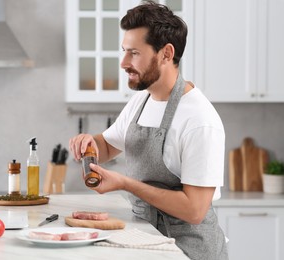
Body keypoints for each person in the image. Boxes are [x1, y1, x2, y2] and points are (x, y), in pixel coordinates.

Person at [69, 1, 228, 259]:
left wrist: (125, 183)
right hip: (147, 241)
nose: (123, 63)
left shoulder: (199, 119)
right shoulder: (141, 101)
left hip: (187, 251)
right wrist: (89, 144)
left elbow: (194, 210)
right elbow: (109, 145)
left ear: (166, 53)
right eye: (124, 51)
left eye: (134, 53)